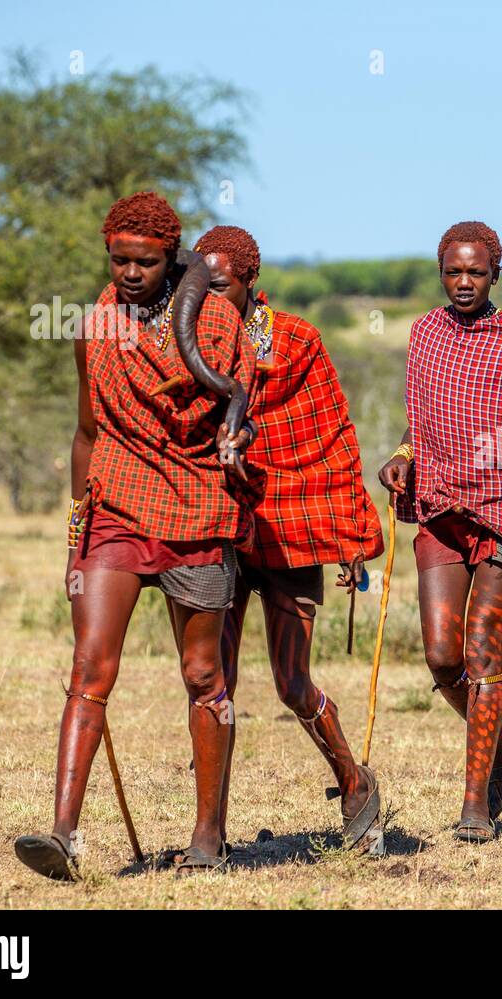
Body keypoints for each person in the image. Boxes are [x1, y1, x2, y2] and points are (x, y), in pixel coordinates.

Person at [14, 192, 254, 879]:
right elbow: (86, 435)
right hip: (116, 504)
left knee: (204, 675)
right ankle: (62, 834)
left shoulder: (214, 322)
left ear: (171, 256)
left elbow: (241, 405)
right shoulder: (96, 326)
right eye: (117, 259)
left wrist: (236, 438)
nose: (128, 272)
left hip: (200, 509)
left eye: (144, 261)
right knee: (90, 669)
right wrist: (74, 538)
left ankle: (209, 834)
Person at [377, 221, 502, 843]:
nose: (465, 283)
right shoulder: (423, 334)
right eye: (454, 272)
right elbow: (420, 420)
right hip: (439, 508)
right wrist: (404, 456)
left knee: (483, 655)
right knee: (441, 656)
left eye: (477, 272)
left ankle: (475, 806)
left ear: (496, 274)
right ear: (441, 272)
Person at [191, 224, 385, 851]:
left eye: (222, 286)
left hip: (290, 524)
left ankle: (355, 782)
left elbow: (331, 434)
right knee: (213, 680)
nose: (213, 299)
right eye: (203, 286)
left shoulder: (296, 339)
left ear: (251, 281)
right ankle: (210, 835)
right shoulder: (187, 339)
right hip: (219, 521)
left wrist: (350, 527)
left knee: (291, 682)